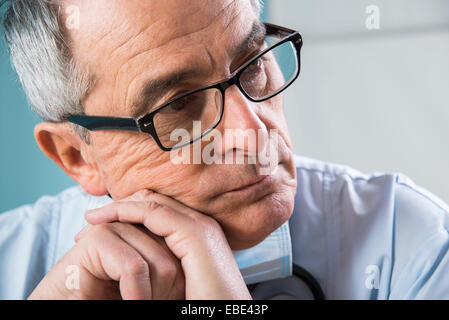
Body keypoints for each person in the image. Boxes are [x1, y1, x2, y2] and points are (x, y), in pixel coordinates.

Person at [1, 0, 448, 300]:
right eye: (178, 104)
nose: (251, 132)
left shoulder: (412, 247)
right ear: (76, 156)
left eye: (252, 65)